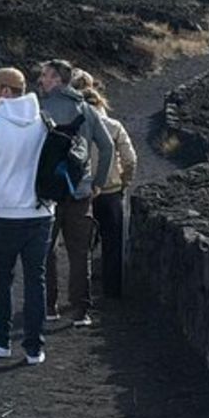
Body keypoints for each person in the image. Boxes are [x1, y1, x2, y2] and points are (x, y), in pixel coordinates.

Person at [0, 67, 52, 365]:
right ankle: (34, 348)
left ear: (5, 91)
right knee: (35, 281)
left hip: (4, 216)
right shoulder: (43, 122)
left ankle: (0, 340)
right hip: (41, 213)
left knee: (1, 280)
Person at [38, 58, 114, 327]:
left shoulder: (41, 108)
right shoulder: (87, 109)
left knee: (45, 250)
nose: (41, 80)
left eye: (46, 76)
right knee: (79, 253)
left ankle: (48, 307)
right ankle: (80, 312)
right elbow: (106, 147)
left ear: (58, 79)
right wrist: (98, 183)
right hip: (81, 191)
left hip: (47, 194)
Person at [80, 86, 137, 300]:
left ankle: (81, 294)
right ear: (102, 104)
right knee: (113, 244)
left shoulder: (76, 126)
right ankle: (112, 292)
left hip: (83, 194)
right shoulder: (114, 127)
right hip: (111, 192)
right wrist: (124, 183)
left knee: (81, 246)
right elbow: (130, 159)